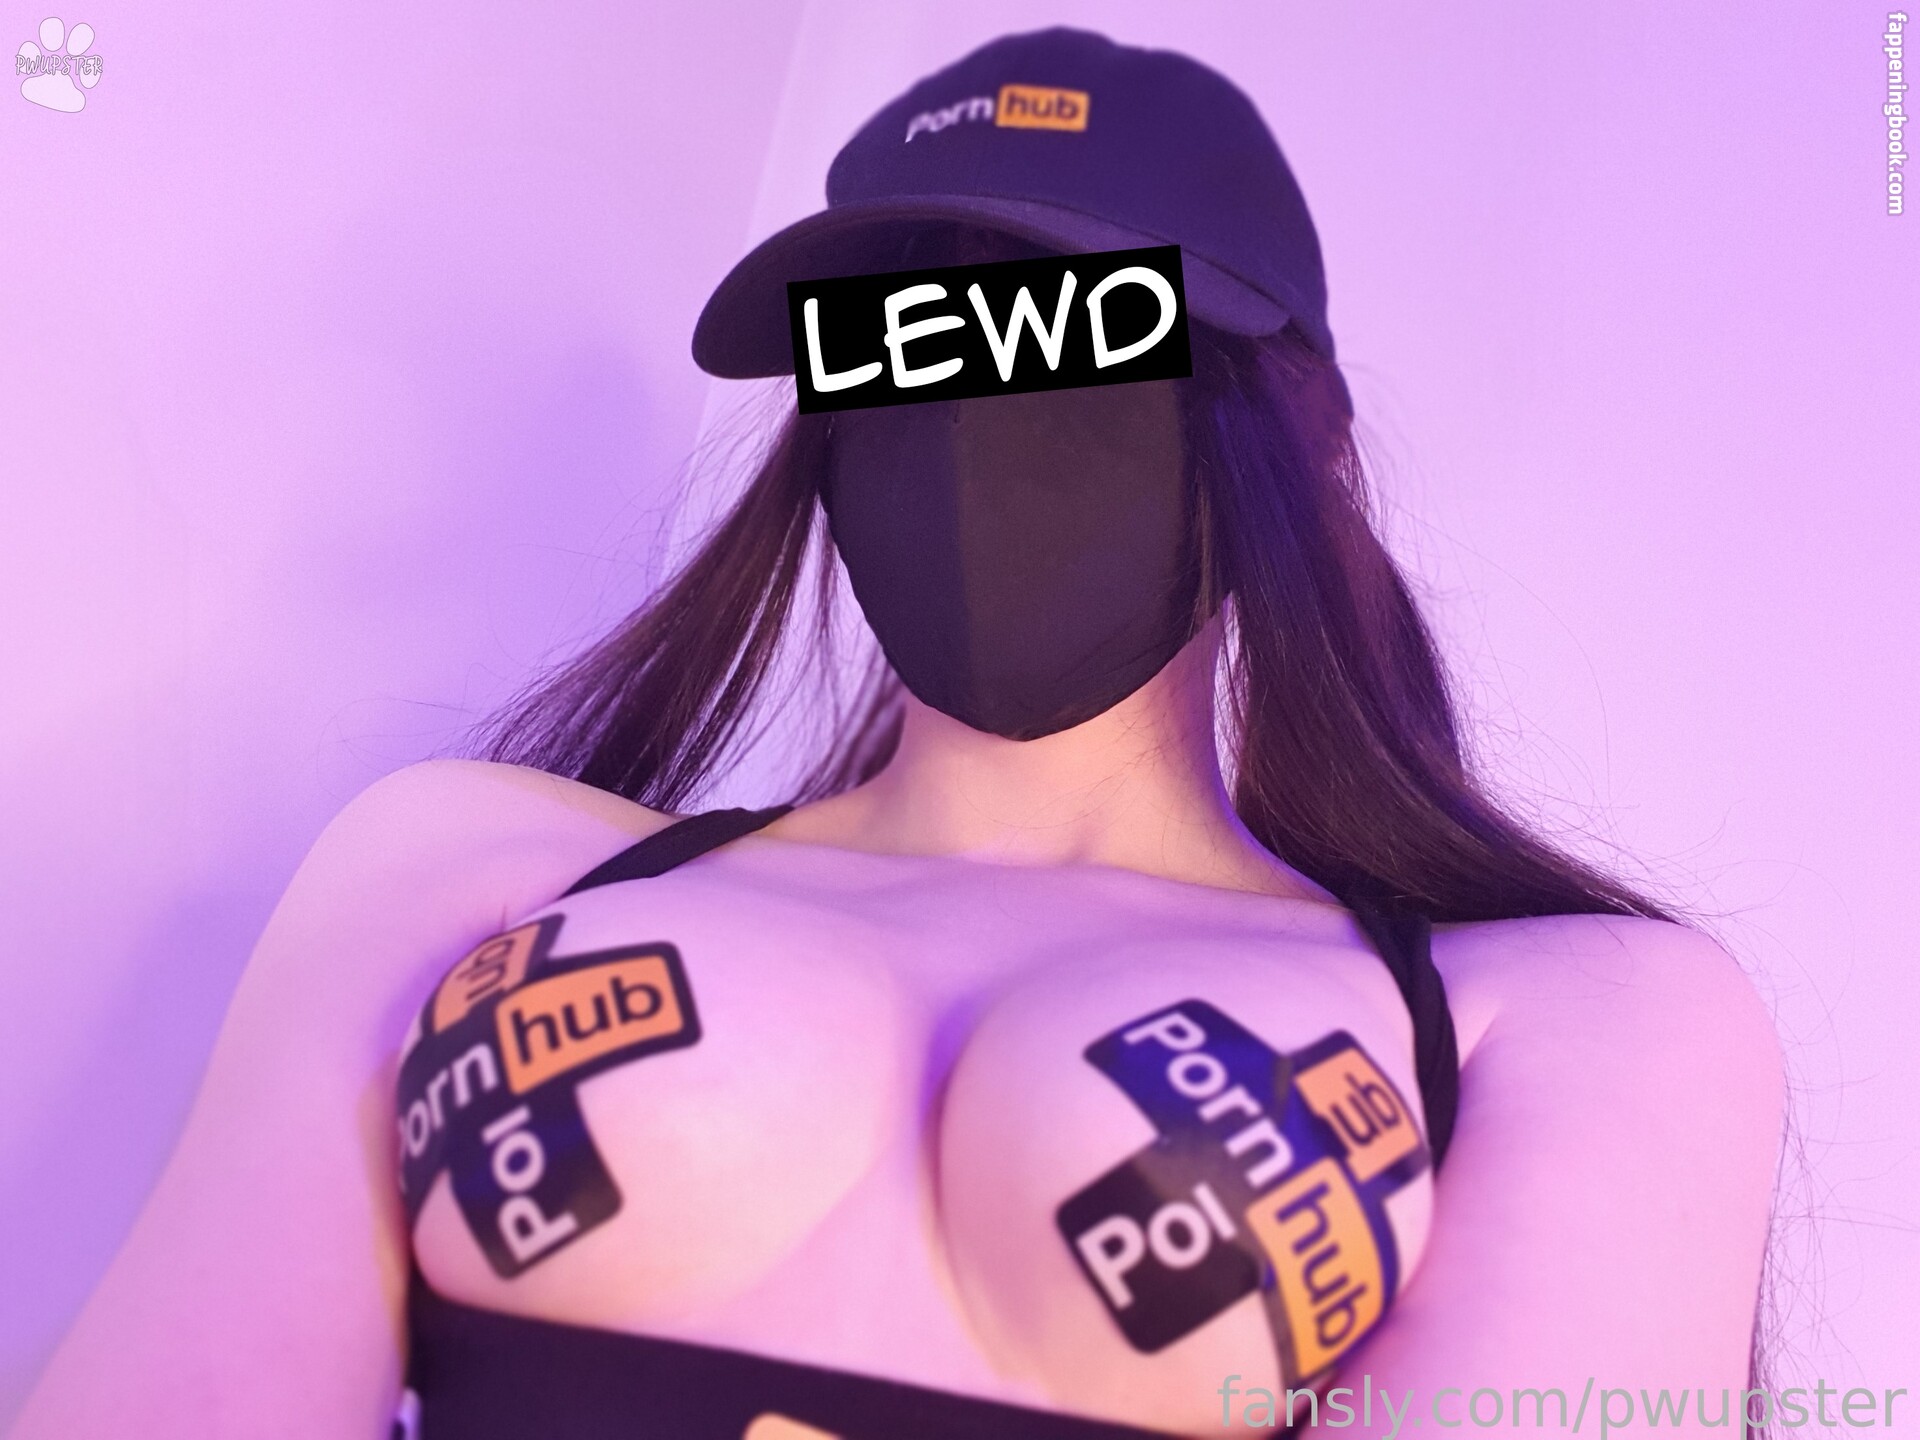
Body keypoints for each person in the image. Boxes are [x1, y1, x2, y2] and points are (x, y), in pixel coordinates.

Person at [11, 26, 1784, 1440]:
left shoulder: (1561, 1018)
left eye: (1076, 336)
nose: (972, 418)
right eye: (901, 348)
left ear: (1293, 434)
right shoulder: (465, 866)